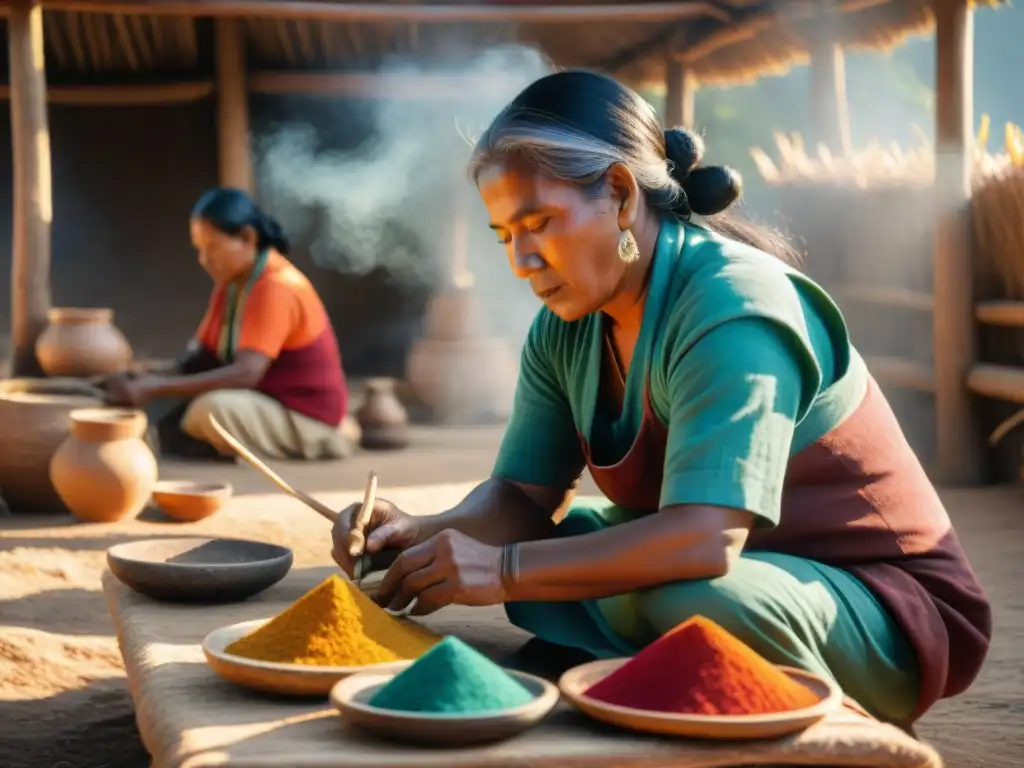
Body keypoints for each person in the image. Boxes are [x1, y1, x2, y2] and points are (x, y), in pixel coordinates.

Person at [330, 70, 991, 726]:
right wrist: (419, 531)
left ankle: (803, 702)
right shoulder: (567, 327)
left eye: (539, 222)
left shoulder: (733, 307)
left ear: (619, 194)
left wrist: (502, 569)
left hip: (884, 607)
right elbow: (519, 499)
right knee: (572, 550)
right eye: (505, 235)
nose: (521, 260)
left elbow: (706, 544)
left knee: (681, 595)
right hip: (746, 564)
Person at [103, 187, 353, 461]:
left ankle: (305, 445)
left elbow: (247, 374)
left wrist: (153, 388)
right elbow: (197, 361)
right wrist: (143, 375)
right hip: (264, 403)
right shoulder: (232, 286)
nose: (204, 259)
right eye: (199, 249)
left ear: (248, 237)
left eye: (213, 247)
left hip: (306, 418)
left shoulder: (276, 286)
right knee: (179, 412)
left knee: (209, 409)